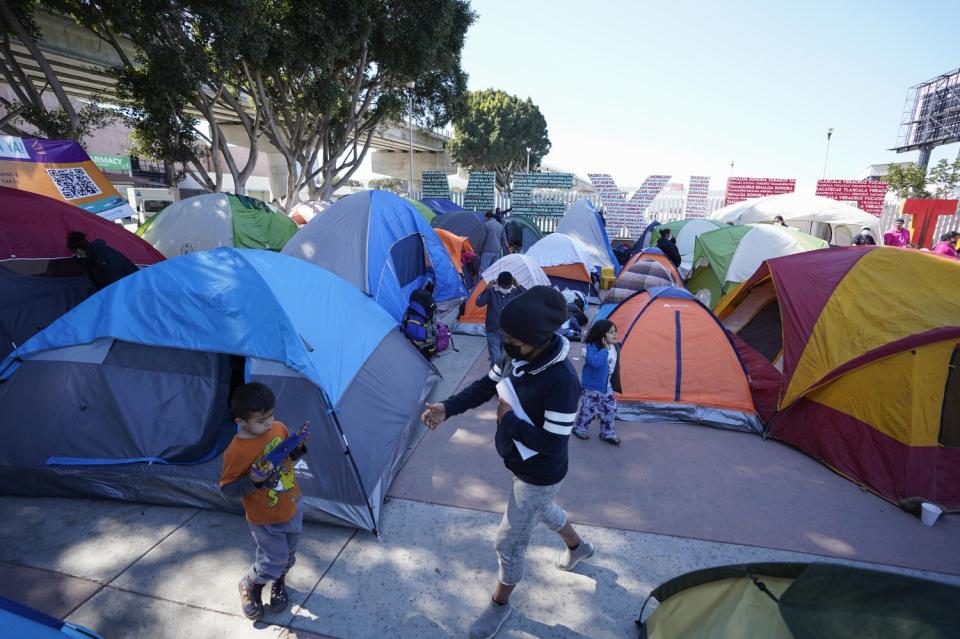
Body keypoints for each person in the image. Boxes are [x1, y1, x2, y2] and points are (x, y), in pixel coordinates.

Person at [421, 286, 593, 639]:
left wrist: (508, 421)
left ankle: (500, 605)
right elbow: (487, 385)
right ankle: (579, 547)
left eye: (512, 339)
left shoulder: (562, 382)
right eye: (504, 337)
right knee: (541, 509)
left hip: (539, 473)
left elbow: (551, 443)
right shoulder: (518, 356)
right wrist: (447, 408)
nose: (506, 345)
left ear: (537, 338)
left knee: (509, 541)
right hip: (519, 465)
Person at [220, 383, 308, 620]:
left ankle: (279, 582)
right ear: (241, 421)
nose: (269, 423)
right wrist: (254, 481)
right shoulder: (236, 451)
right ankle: (251, 584)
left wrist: (298, 446)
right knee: (273, 559)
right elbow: (228, 489)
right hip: (264, 518)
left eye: (271, 415)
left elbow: (287, 457)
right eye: (261, 420)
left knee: (288, 556)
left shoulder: (278, 428)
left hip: (291, 504)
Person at [572, 320, 621, 445]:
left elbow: (614, 365)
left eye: (615, 331)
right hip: (592, 387)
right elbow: (595, 362)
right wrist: (604, 349)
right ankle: (580, 428)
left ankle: (607, 432)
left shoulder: (615, 347)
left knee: (610, 409)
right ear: (601, 335)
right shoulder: (593, 347)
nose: (615, 334)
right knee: (588, 409)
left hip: (607, 387)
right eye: (611, 332)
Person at [476, 271, 526, 365]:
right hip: (493, 330)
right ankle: (495, 377)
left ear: (512, 283)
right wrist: (486, 288)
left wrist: (518, 285)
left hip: (508, 332)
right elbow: (479, 302)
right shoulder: (492, 292)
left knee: (506, 357)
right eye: (504, 287)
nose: (506, 289)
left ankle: (503, 375)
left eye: (508, 286)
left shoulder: (515, 292)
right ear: (498, 284)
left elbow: (528, 297)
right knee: (495, 358)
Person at [67, 231, 138, 290]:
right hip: (114, 287)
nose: (77, 256)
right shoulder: (85, 259)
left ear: (79, 250)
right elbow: (94, 278)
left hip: (129, 284)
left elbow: (116, 273)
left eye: (75, 253)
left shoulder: (102, 252)